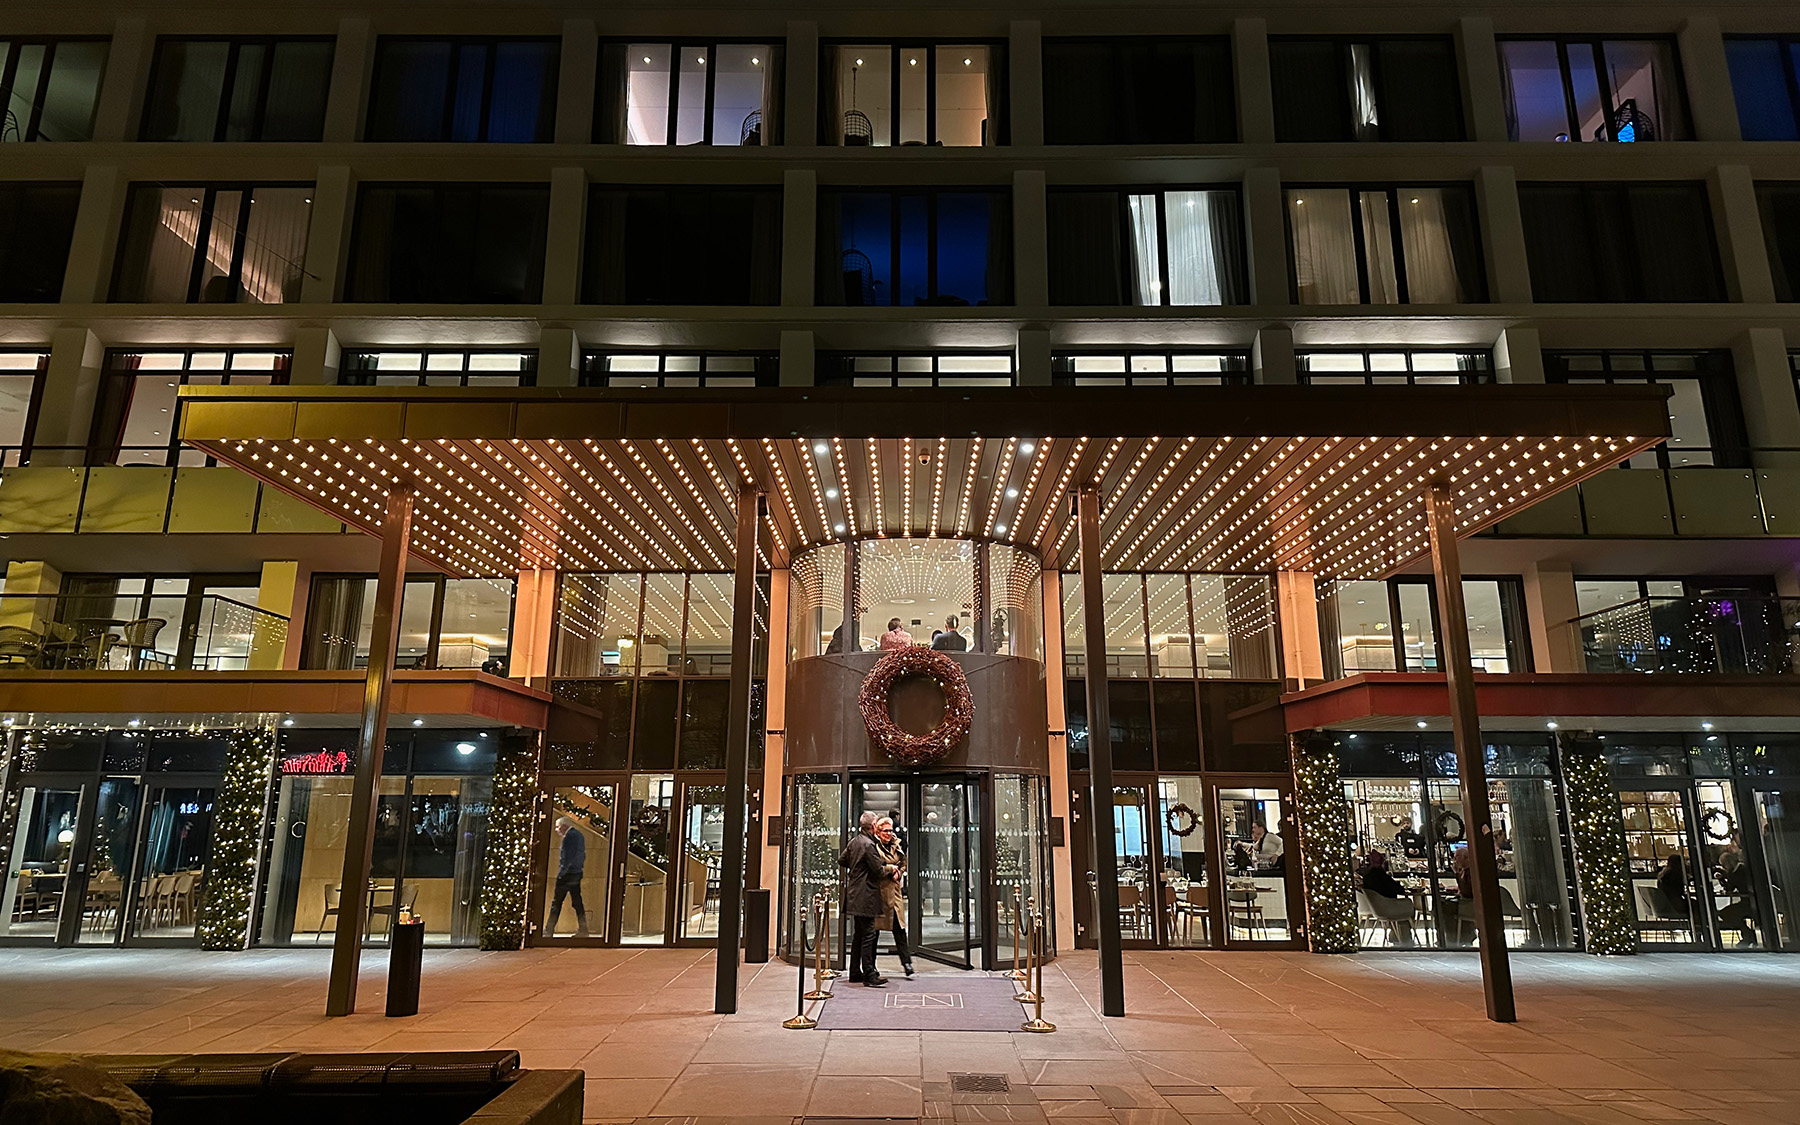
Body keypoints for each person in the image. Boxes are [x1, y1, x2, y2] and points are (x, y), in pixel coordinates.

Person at [838, 810, 898, 986]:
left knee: (859, 934)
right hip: (866, 894)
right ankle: (869, 974)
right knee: (869, 934)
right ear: (873, 826)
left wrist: (856, 868)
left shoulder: (855, 841)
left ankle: (855, 971)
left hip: (854, 893)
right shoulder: (869, 845)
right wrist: (891, 868)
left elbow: (842, 860)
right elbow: (878, 870)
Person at [875, 816, 915, 977]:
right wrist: (891, 869)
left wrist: (900, 872)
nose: (889, 834)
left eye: (891, 830)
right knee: (874, 931)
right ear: (878, 831)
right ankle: (871, 967)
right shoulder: (874, 847)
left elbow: (904, 863)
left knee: (899, 928)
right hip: (879, 892)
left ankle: (906, 963)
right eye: (886, 831)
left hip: (895, 892)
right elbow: (876, 867)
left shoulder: (897, 845)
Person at [548, 816, 588, 937]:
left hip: (567, 874)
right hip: (576, 872)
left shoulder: (569, 837)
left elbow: (567, 858)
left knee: (557, 902)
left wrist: (561, 873)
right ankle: (583, 929)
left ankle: (549, 930)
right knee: (577, 902)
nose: (557, 830)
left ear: (564, 826)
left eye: (558, 827)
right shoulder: (579, 835)